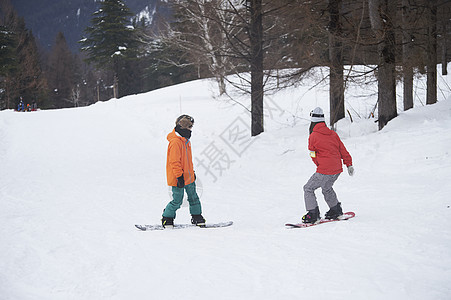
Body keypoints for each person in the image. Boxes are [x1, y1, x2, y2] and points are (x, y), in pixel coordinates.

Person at [302, 107, 354, 224]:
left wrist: (319, 165)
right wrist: (349, 164)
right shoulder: (332, 134)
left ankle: (313, 214)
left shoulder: (313, 136)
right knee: (326, 188)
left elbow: (312, 154)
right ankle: (335, 210)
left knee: (308, 188)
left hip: (325, 170)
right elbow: (343, 150)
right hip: (337, 170)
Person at [161, 114, 205, 228]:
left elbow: (187, 161)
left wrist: (192, 172)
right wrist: (179, 176)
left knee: (193, 197)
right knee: (177, 200)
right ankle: (167, 217)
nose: (191, 129)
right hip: (178, 177)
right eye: (190, 127)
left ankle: (197, 216)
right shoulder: (176, 142)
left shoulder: (186, 140)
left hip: (188, 176)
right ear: (185, 126)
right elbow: (174, 162)